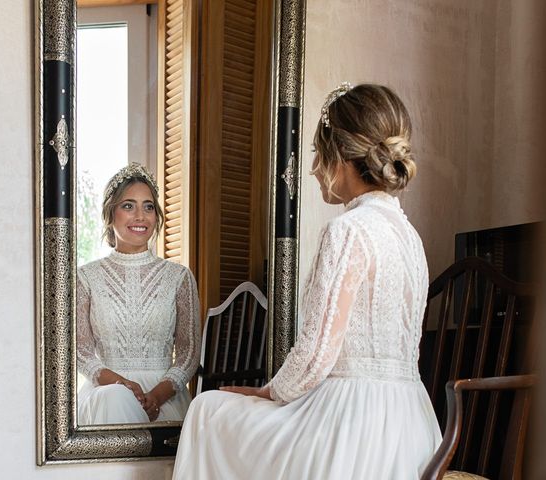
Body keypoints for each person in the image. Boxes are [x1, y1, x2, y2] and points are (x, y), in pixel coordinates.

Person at [172, 83, 442, 479]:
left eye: (318, 153)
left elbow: (316, 355)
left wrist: (268, 392)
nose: (314, 169)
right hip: (412, 424)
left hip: (351, 424)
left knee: (206, 409)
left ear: (342, 156)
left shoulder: (349, 231)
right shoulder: (410, 237)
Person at [76, 163, 200, 425]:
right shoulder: (86, 277)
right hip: (105, 395)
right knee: (114, 400)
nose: (140, 216)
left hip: (166, 397)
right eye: (128, 206)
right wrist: (122, 386)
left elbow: (189, 353)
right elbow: (80, 351)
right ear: (110, 214)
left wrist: (156, 396)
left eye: (148, 206)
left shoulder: (178, 277)